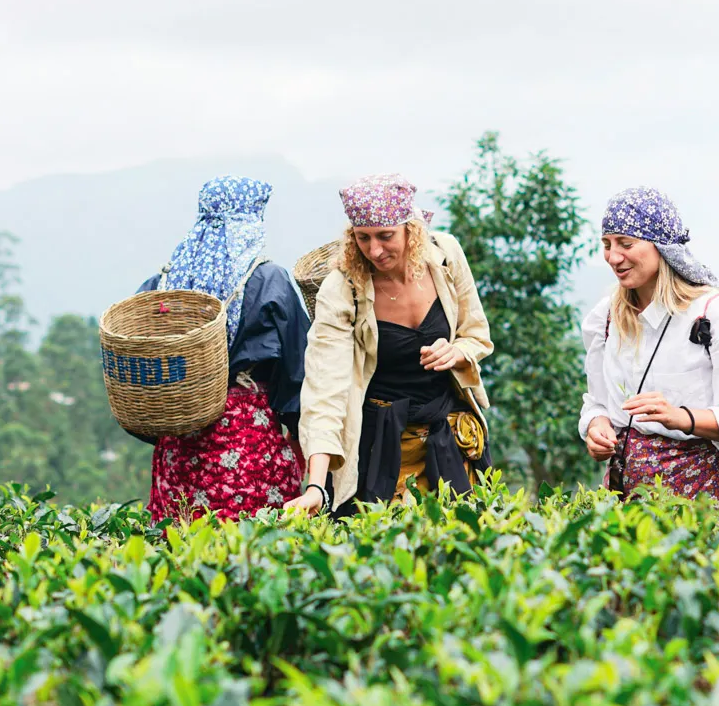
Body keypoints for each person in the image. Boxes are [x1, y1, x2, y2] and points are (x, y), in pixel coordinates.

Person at [287, 174, 493, 515]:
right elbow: (325, 390)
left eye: (386, 236)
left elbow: (476, 334)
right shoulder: (343, 290)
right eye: (363, 238)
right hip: (382, 446)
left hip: (450, 436)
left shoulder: (445, 256)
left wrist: (457, 352)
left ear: (411, 230)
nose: (375, 250)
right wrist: (315, 486)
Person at [579, 187, 719, 506]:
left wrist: (682, 417)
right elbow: (597, 402)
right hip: (630, 503)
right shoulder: (604, 318)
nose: (613, 257)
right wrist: (597, 425)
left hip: (708, 507)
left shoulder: (713, 315)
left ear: (662, 247)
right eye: (607, 244)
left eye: (626, 244)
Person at [135, 175, 309, 521]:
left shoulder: (163, 284)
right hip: (249, 440)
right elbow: (298, 366)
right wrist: (299, 432)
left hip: (179, 442)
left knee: (182, 551)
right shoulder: (268, 279)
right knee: (252, 553)